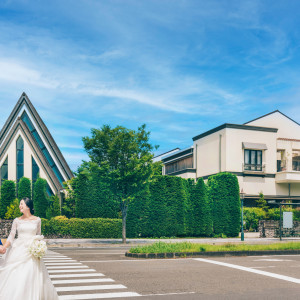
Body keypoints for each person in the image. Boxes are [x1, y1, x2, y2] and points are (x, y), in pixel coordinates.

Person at [0, 197, 58, 300]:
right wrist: (4, 247)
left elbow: (38, 236)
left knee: (31, 276)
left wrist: (40, 248)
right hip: (19, 250)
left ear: (28, 206)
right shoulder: (17, 220)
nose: (20, 206)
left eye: (22, 204)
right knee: (19, 276)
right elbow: (11, 236)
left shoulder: (37, 220)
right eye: (20, 204)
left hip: (32, 252)